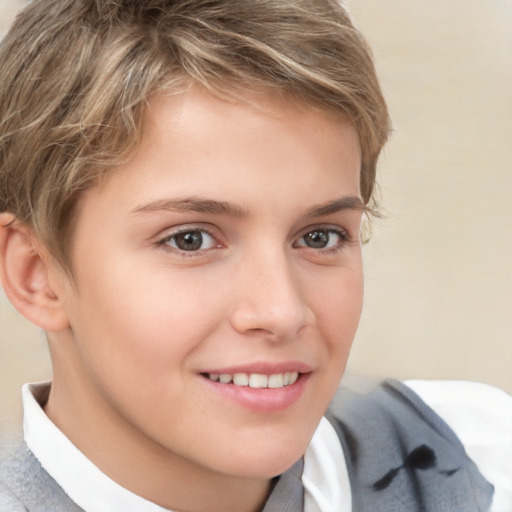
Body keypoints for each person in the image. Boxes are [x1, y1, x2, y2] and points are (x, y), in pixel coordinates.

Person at [0, 1, 510, 511]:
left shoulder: (479, 464)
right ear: (36, 274)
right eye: (190, 240)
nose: (281, 312)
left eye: (319, 237)